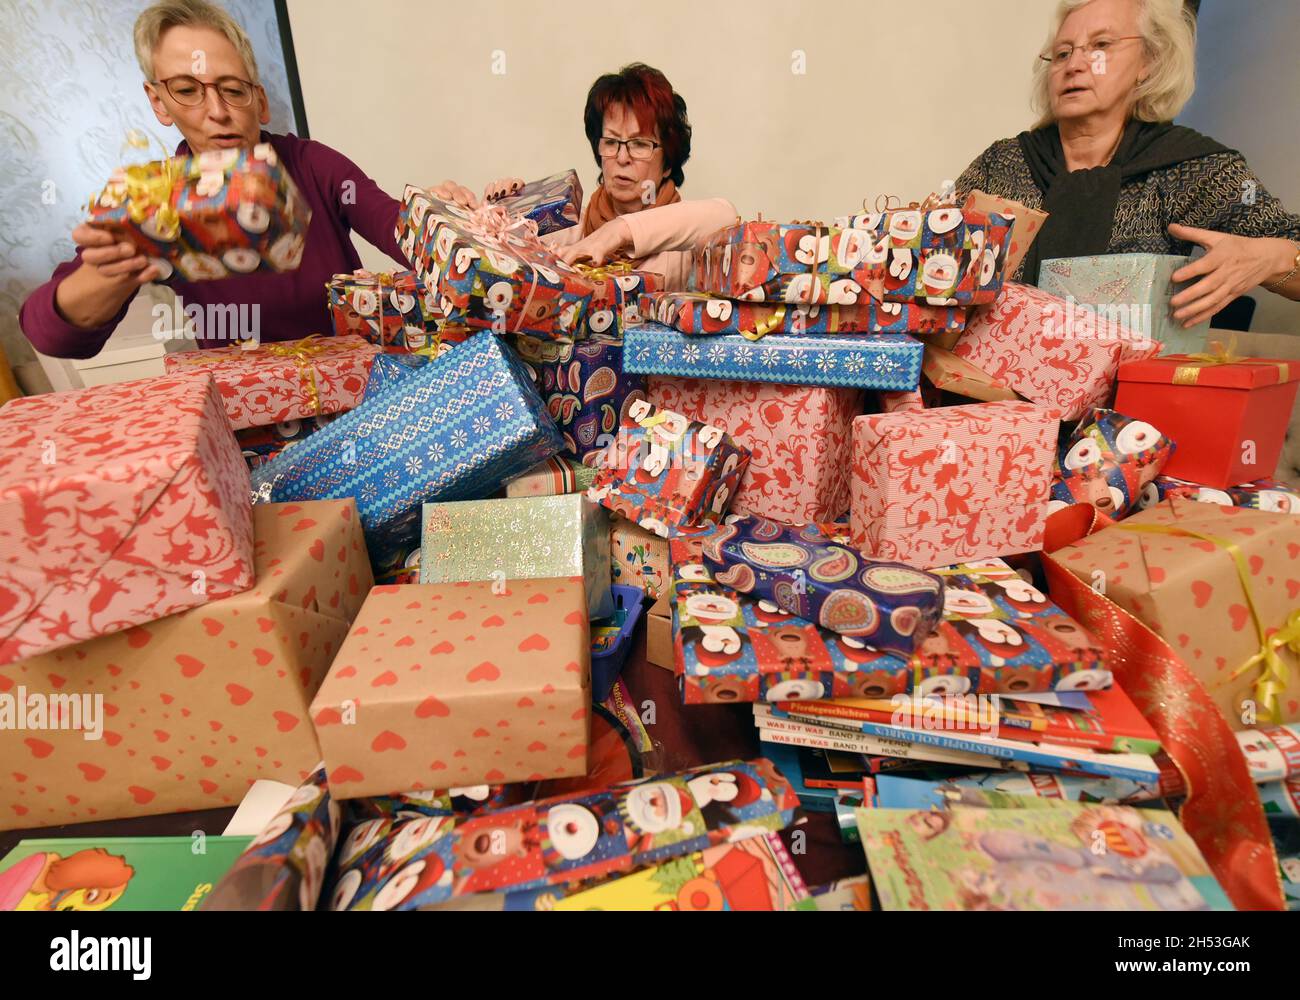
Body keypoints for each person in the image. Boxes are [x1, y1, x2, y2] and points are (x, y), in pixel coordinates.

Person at [20, 0, 412, 358]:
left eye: (233, 90)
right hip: (245, 399)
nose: (218, 112)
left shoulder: (312, 164)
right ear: (159, 102)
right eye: (187, 89)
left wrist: (437, 217)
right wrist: (114, 272)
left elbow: (398, 228)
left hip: (359, 383)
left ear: (260, 102)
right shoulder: (157, 198)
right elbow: (52, 335)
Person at [954, 0, 1300, 329]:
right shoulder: (1001, 163)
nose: (1074, 65)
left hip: (1134, 372)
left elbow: (1290, 242)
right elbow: (934, 262)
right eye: (1062, 53)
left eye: (1101, 45)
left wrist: (1271, 258)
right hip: (989, 370)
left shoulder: (1190, 166)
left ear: (1150, 61)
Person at [432, 63, 735, 289]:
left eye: (640, 144)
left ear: (667, 162)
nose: (622, 158)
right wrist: (486, 214)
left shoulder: (687, 242)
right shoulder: (571, 227)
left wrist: (618, 231)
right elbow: (490, 273)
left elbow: (725, 215)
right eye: (611, 142)